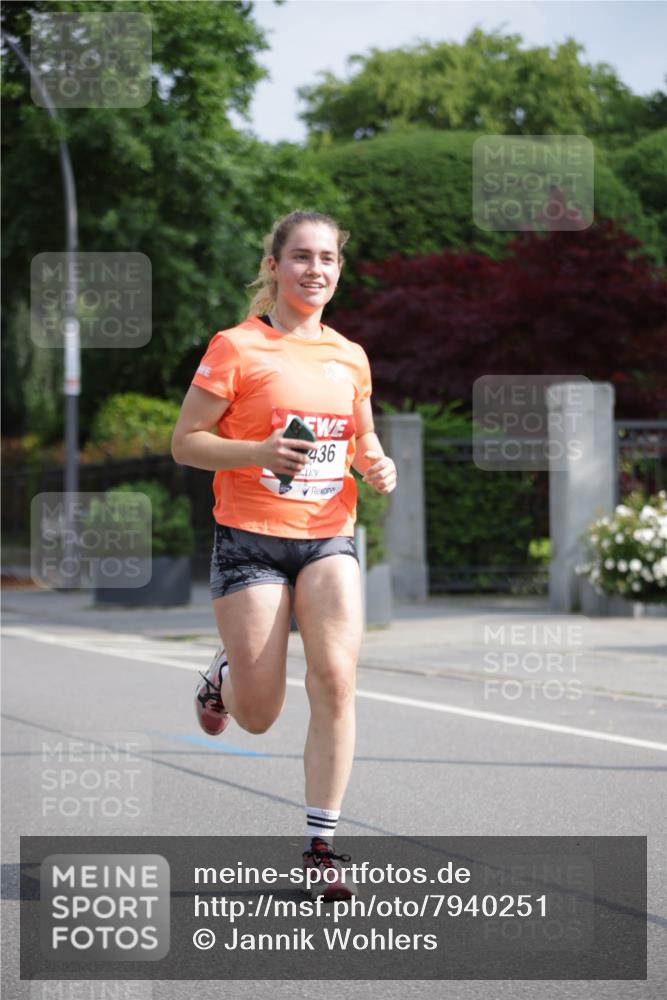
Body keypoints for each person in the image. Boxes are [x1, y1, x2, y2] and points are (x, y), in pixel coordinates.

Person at [171, 210, 397, 900]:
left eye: (327, 258)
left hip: (328, 535)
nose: (314, 269)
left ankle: (321, 848)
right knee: (259, 713)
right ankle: (225, 676)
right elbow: (186, 442)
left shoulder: (349, 355)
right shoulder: (236, 346)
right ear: (274, 267)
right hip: (249, 540)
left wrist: (375, 461)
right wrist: (257, 452)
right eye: (301, 256)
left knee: (336, 680)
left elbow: (360, 436)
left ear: (338, 269)